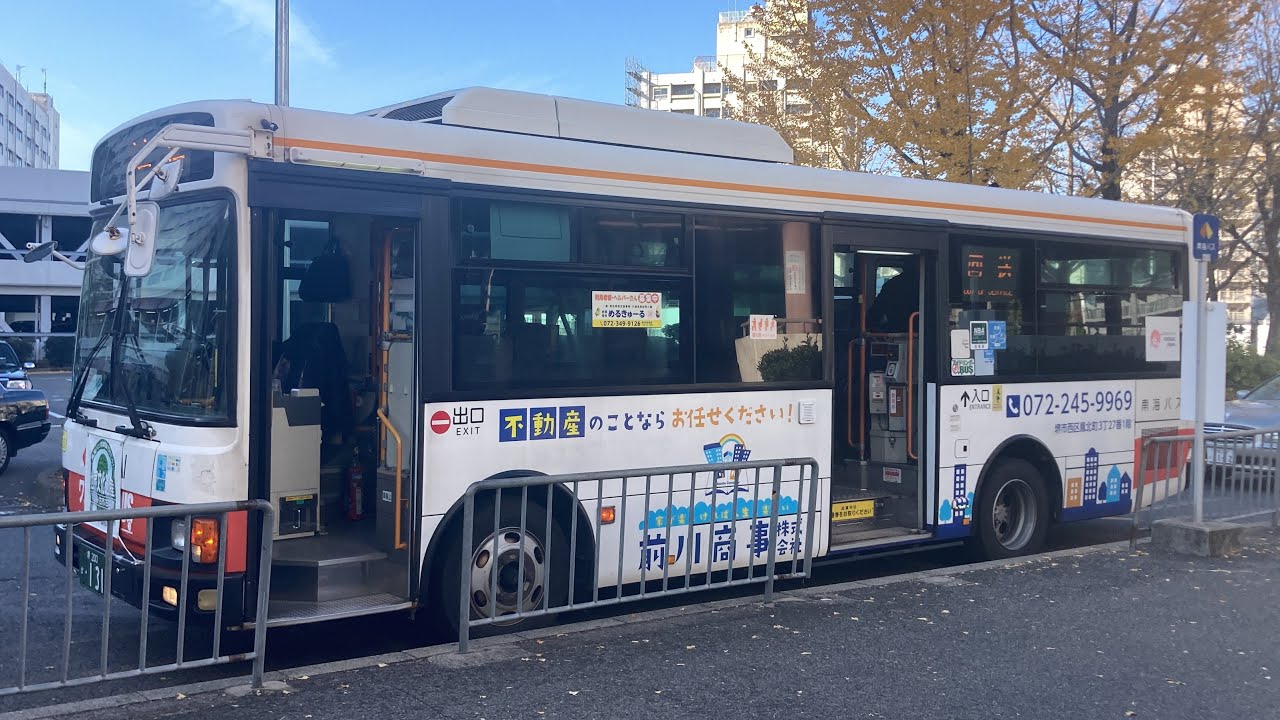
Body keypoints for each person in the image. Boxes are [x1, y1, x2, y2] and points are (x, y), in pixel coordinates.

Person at [867, 263, 919, 333]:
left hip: (895, 331)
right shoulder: (930, 284)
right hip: (922, 330)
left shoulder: (892, 284)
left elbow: (877, 310)